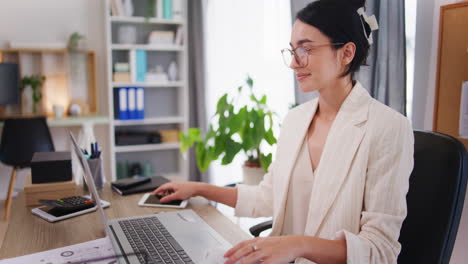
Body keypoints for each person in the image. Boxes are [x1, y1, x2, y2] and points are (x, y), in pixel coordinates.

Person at [153, 0, 414, 263]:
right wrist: (198, 189)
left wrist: (297, 245)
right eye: (292, 50)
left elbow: (380, 250)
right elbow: (267, 197)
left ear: (346, 53)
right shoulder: (295, 120)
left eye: (306, 49)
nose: (293, 63)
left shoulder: (388, 128)